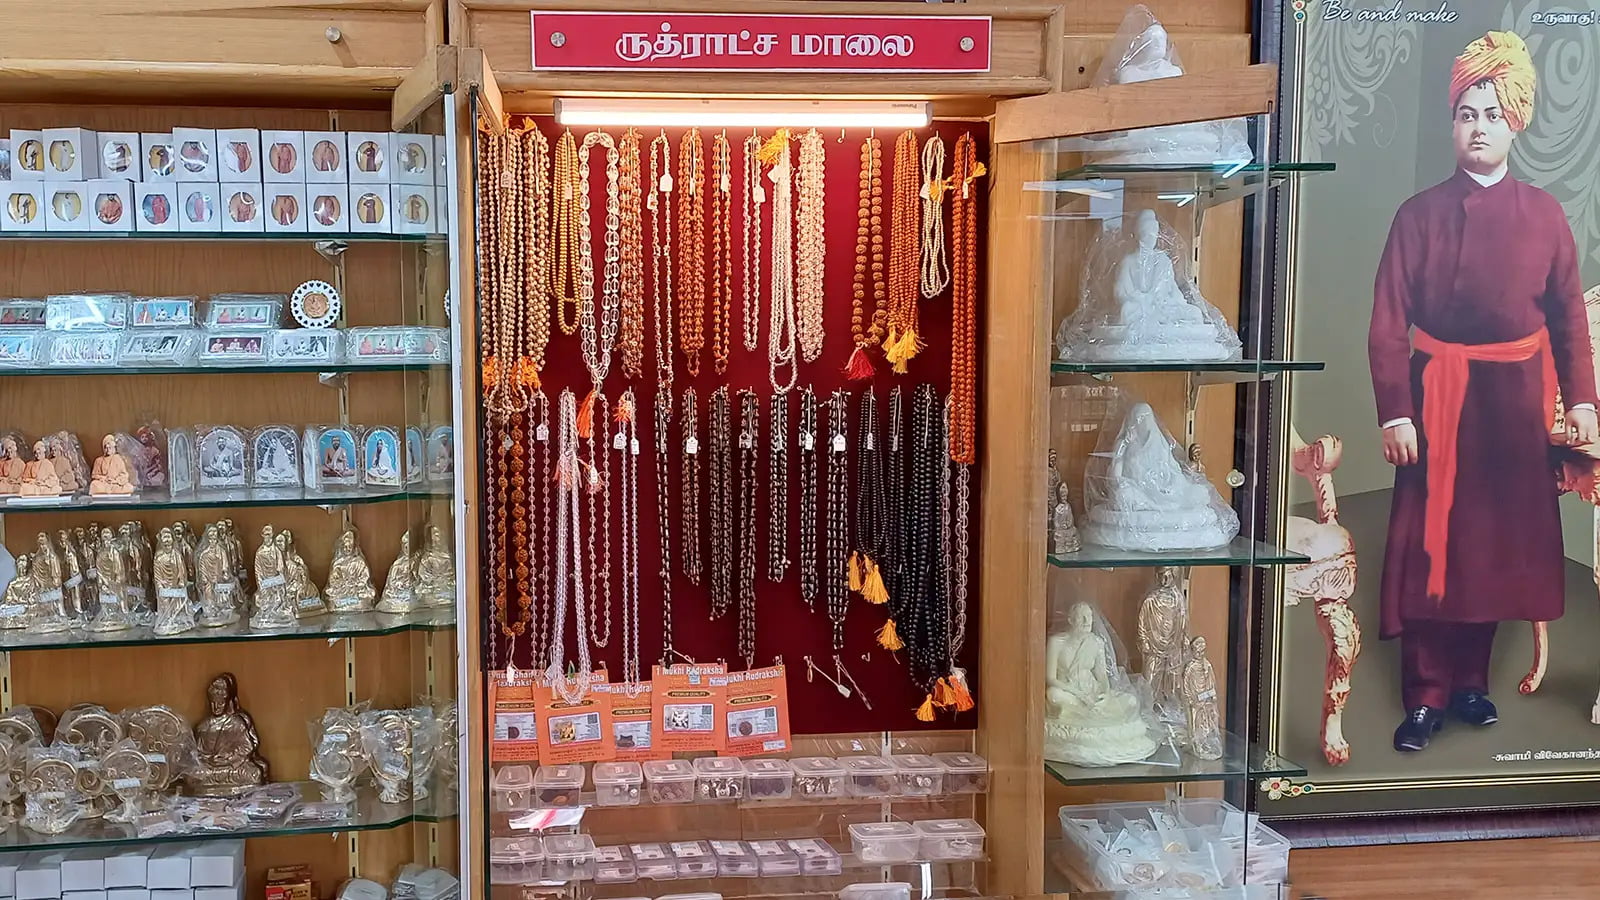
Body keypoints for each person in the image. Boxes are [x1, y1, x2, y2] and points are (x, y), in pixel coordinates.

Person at [1367, 31, 1598, 752]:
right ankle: (1425, 694)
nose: (1479, 127)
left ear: (1515, 123)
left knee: (1493, 550)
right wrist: (1396, 410)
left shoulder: (1545, 217)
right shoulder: (1418, 216)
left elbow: (1568, 323)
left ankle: (1471, 685)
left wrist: (1584, 401)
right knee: (1435, 551)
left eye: (1493, 114)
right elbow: (1384, 326)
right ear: (1452, 123)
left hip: (1512, 409)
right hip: (1437, 400)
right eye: (1467, 113)